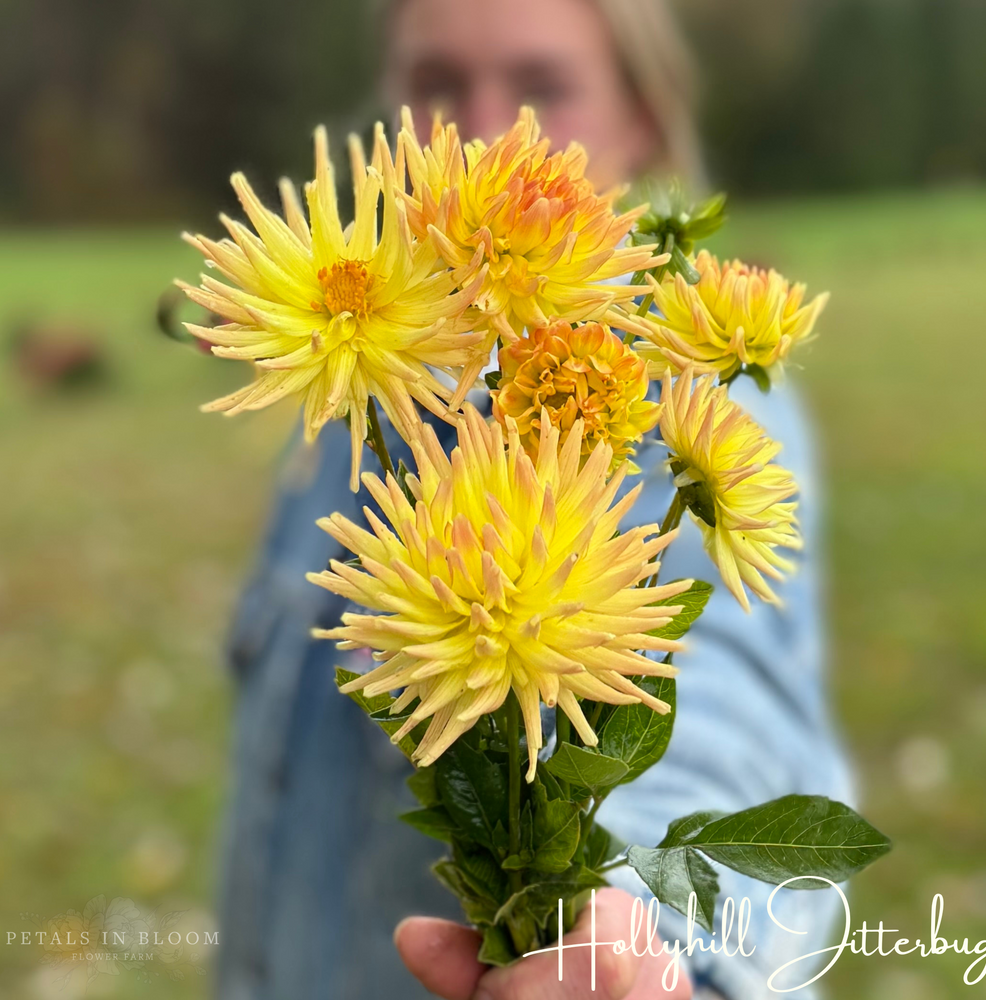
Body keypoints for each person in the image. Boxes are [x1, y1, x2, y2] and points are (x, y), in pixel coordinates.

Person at [214, 1, 854, 997]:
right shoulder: (361, 402)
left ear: (641, 116)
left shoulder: (661, 396)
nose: (483, 129)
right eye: (435, 84)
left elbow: (723, 695)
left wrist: (633, 948)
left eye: (542, 86)